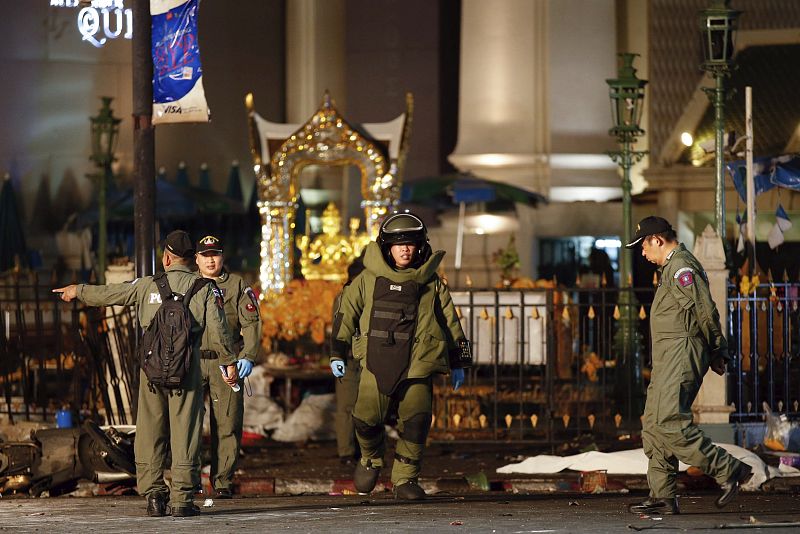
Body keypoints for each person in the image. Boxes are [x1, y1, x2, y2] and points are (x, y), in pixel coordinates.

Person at [54, 230, 238, 518]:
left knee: (150, 433)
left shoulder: (147, 285)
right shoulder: (205, 289)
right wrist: (228, 363)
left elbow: (112, 293)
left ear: (165, 257)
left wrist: (78, 290)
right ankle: (182, 500)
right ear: (191, 260)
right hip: (187, 373)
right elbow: (220, 332)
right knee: (185, 433)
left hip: (151, 374)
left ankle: (154, 496)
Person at [329, 212, 471, 500]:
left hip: (418, 364)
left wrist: (461, 360)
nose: (405, 249)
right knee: (366, 420)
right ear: (386, 247)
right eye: (399, 243)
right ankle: (370, 458)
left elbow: (452, 323)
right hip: (374, 361)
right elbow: (345, 315)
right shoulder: (366, 280)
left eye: (411, 243)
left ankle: (406, 479)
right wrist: (337, 352)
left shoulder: (432, 284)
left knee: (417, 422)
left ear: (421, 246)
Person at [625, 216, 752, 515]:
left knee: (670, 421)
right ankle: (663, 495)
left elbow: (704, 309)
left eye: (643, 245)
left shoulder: (682, 267)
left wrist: (718, 350)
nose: (642, 253)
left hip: (681, 353)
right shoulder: (670, 268)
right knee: (655, 425)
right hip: (668, 356)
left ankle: (730, 470)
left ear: (657, 240)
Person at [194, 235, 262, 498]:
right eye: (205, 255)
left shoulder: (236, 285)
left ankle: (222, 482)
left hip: (227, 366)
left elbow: (252, 323)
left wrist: (248, 355)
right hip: (194, 361)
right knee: (188, 424)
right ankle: (188, 480)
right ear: (196, 259)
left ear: (223, 257)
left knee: (227, 423)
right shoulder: (188, 284)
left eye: (215, 254)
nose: (211, 260)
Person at [331, 256, 366, 464]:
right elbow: (338, 329)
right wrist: (337, 356)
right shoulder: (344, 296)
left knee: (367, 407)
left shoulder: (371, 293)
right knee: (346, 408)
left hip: (366, 358)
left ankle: (366, 451)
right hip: (350, 358)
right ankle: (346, 451)